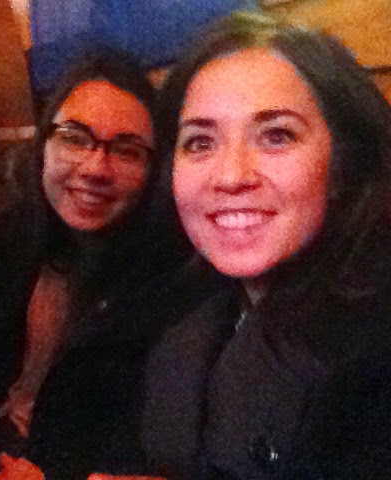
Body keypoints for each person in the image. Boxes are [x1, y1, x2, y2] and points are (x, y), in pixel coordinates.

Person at [116, 11, 391, 480]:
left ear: (344, 165)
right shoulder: (183, 318)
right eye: (200, 142)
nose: (231, 176)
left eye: (276, 136)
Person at [0, 50, 199, 479]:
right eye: (75, 138)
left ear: (153, 173)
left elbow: (139, 448)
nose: (95, 167)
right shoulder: (15, 243)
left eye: (126, 150)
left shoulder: (171, 284)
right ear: (43, 146)